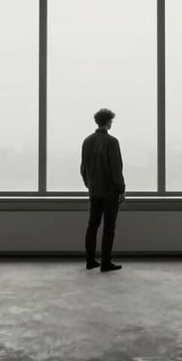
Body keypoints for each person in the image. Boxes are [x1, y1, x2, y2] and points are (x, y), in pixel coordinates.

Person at [80, 108, 125, 272]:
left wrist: (89, 184)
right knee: (109, 228)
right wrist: (121, 189)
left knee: (92, 226)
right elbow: (116, 168)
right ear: (108, 122)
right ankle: (106, 262)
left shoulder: (87, 141)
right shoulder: (112, 142)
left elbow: (83, 168)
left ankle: (90, 260)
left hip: (94, 191)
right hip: (110, 192)